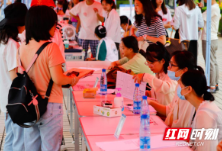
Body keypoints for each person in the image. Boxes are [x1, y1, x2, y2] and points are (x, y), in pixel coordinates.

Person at [19, 6, 79, 151]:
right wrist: (72, 80)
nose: (56, 27)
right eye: (53, 23)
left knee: (31, 147)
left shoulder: (23, 46)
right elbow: (58, 79)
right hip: (50, 104)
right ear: (45, 24)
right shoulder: (51, 48)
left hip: (29, 104)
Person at [147, 51, 202, 127]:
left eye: (172, 65)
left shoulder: (190, 93)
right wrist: (150, 102)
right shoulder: (179, 86)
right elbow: (170, 109)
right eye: (169, 64)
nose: (168, 67)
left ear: (184, 70)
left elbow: (185, 127)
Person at [0, 3, 27, 151]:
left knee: (10, 135)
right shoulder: (11, 44)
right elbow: (14, 75)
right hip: (14, 99)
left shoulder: (2, 41)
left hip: (5, 96)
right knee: (17, 139)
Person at [179, 70, 222, 151]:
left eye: (181, 87)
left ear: (189, 89)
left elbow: (206, 148)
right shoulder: (200, 106)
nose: (179, 91)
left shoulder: (205, 114)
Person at [173, 0, 204, 65]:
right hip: (193, 40)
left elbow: (176, 26)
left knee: (182, 64)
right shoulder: (197, 9)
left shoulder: (178, 9)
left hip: (183, 40)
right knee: (192, 63)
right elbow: (201, 24)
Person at [199, 0, 220, 93]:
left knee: (210, 62)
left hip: (209, 39)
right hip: (213, 38)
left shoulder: (212, 8)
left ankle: (211, 86)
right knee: (213, 62)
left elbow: (200, 19)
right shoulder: (216, 7)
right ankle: (215, 84)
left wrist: (199, 8)